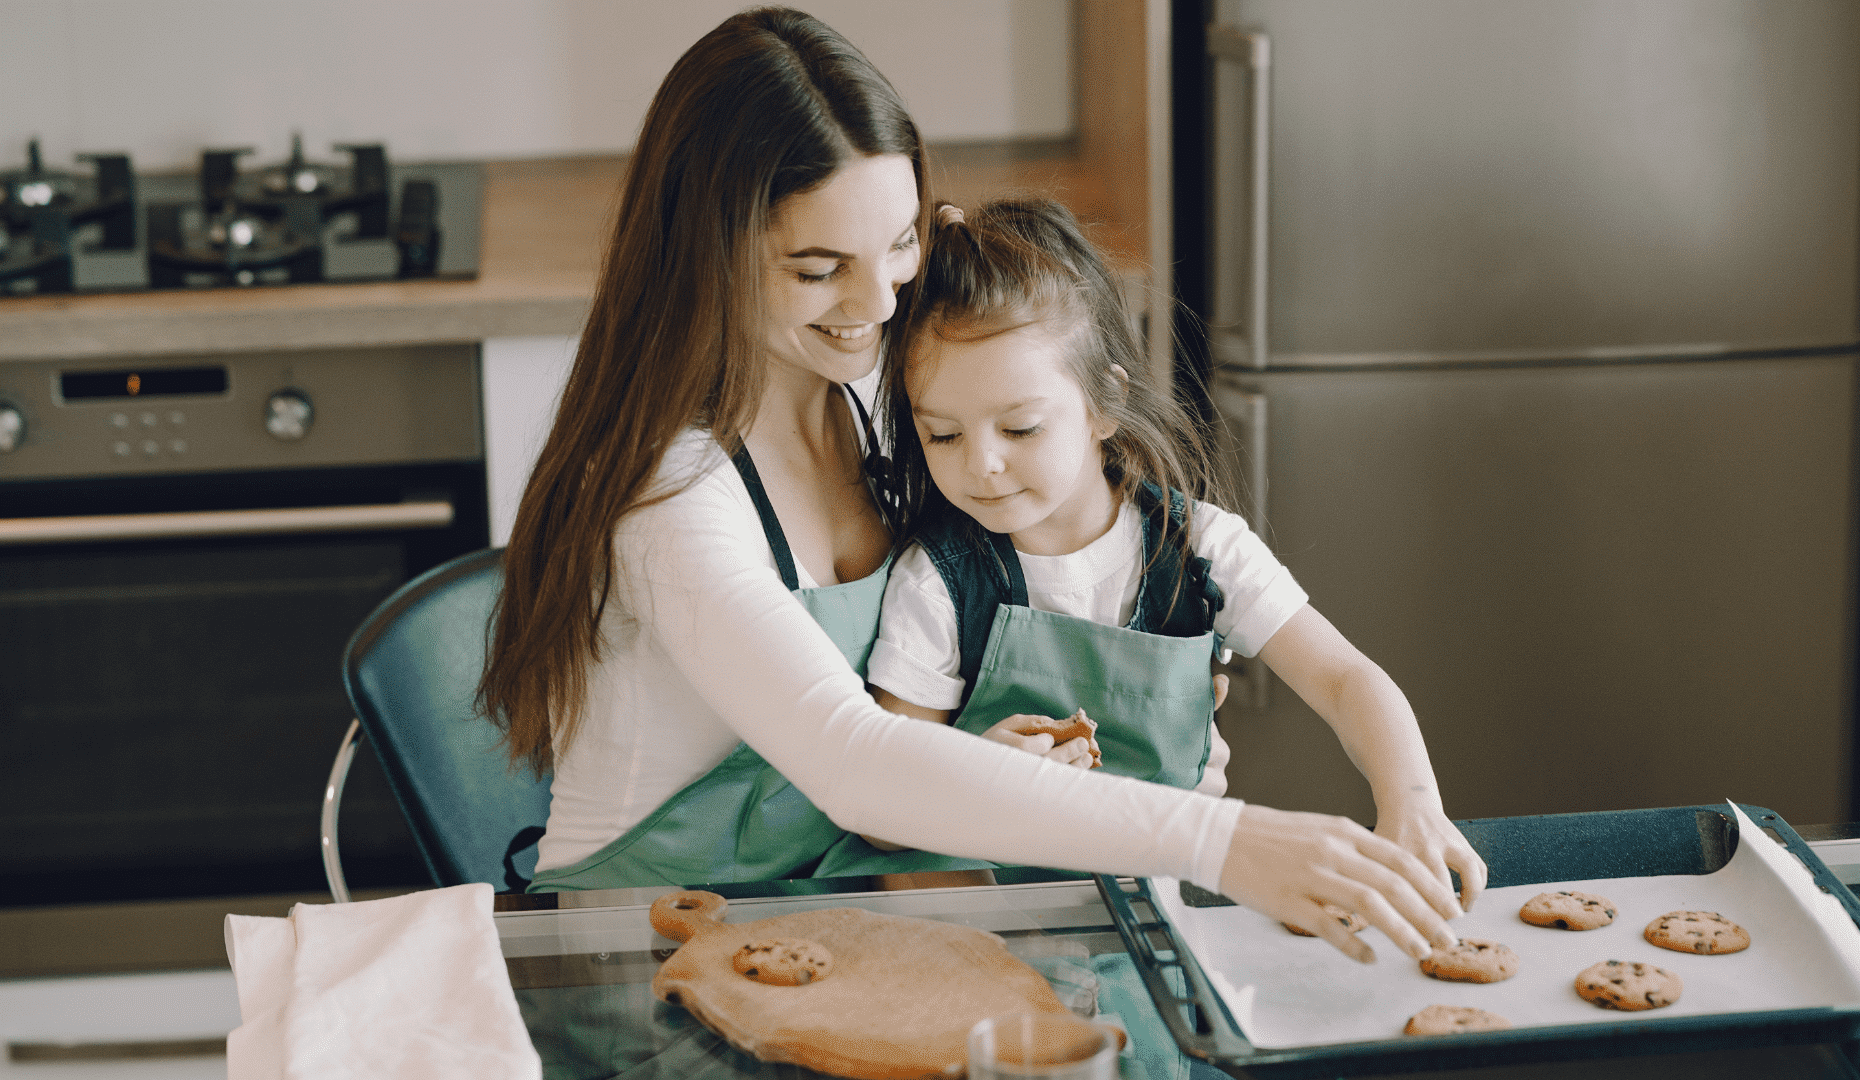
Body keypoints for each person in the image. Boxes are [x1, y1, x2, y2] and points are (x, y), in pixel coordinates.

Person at [479, 5, 1473, 966]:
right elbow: (851, 757)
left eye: (900, 244)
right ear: (712, 251)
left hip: (836, 912)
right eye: (821, 268)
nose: (877, 306)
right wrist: (1229, 843)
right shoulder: (676, 493)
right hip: (642, 958)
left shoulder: (881, 400)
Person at [816, 198, 1488, 913]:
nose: (981, 464)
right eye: (943, 436)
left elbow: (1345, 680)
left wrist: (1413, 802)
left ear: (1105, 402)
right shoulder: (939, 583)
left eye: (1019, 427)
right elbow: (884, 816)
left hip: (1165, 912)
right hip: (994, 930)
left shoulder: (1199, 550)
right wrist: (976, 771)